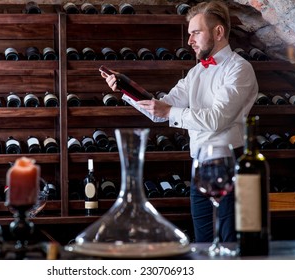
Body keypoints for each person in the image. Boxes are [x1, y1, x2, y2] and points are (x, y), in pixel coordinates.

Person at [101, 0, 258, 243]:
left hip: (229, 165)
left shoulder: (239, 69)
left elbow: (216, 119)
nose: (189, 41)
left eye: (196, 33)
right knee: (203, 243)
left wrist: (169, 111)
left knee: (229, 244)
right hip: (199, 166)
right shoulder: (194, 74)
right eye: (189, 34)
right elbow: (158, 110)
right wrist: (125, 89)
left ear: (218, 32)